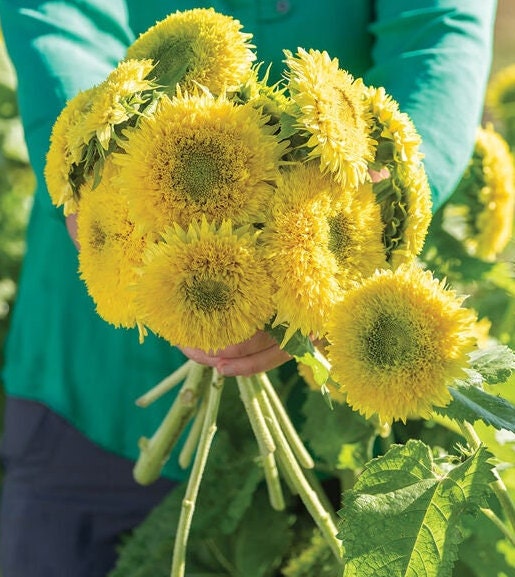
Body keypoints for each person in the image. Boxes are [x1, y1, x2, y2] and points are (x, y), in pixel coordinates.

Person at [0, 1, 497, 575]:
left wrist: (378, 205)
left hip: (325, 341)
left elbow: (439, 28)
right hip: (94, 360)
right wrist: (97, 167)